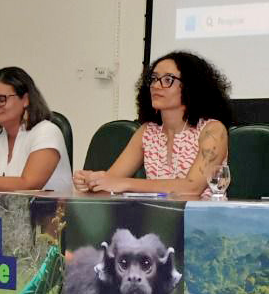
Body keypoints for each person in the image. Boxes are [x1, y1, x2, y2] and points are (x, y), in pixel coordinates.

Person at [73, 51, 231, 198]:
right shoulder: (147, 132)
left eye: (168, 80)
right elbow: (112, 180)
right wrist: (91, 181)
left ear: (191, 86)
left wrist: (126, 184)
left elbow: (192, 187)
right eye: (154, 79)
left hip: (200, 217)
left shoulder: (212, 130)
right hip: (155, 217)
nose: (156, 86)